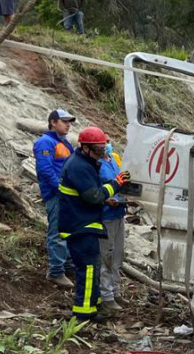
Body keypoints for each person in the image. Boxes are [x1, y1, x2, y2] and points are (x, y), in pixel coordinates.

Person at [58, 127, 130, 321]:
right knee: (88, 269)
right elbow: (93, 196)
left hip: (83, 222)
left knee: (92, 266)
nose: (103, 151)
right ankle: (84, 312)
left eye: (103, 146)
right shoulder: (79, 166)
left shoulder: (86, 163)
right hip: (79, 225)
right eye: (99, 148)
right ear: (86, 148)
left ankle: (93, 303)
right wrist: (115, 185)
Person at [34, 109, 76, 288]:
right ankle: (56, 271)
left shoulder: (65, 143)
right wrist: (60, 190)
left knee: (68, 230)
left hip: (68, 195)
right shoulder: (45, 142)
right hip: (57, 195)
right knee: (58, 232)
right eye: (64, 121)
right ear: (53, 122)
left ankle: (67, 265)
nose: (68, 124)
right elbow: (45, 170)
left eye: (69, 122)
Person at [98, 136, 126, 311]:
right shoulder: (96, 164)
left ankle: (116, 291)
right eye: (104, 142)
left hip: (119, 213)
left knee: (117, 255)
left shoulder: (114, 159)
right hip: (106, 214)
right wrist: (106, 200)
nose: (107, 144)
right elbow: (95, 190)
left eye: (108, 140)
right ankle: (106, 295)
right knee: (105, 256)